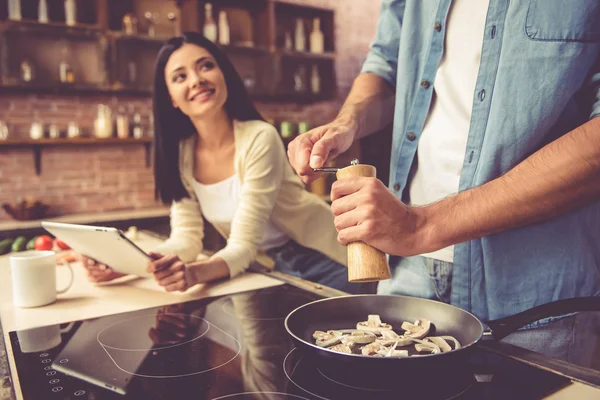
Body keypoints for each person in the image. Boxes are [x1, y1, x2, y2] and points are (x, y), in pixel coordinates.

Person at [287, 0, 600, 366]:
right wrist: (348, 122)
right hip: (409, 272)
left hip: (536, 291)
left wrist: (422, 224)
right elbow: (386, 66)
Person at [84, 32, 374, 295]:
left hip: (327, 260)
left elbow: (243, 242)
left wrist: (194, 273)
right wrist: (124, 265)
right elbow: (186, 238)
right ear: (170, 98)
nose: (196, 79)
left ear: (224, 75)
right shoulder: (182, 153)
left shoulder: (260, 137)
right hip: (266, 269)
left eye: (205, 66)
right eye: (180, 76)